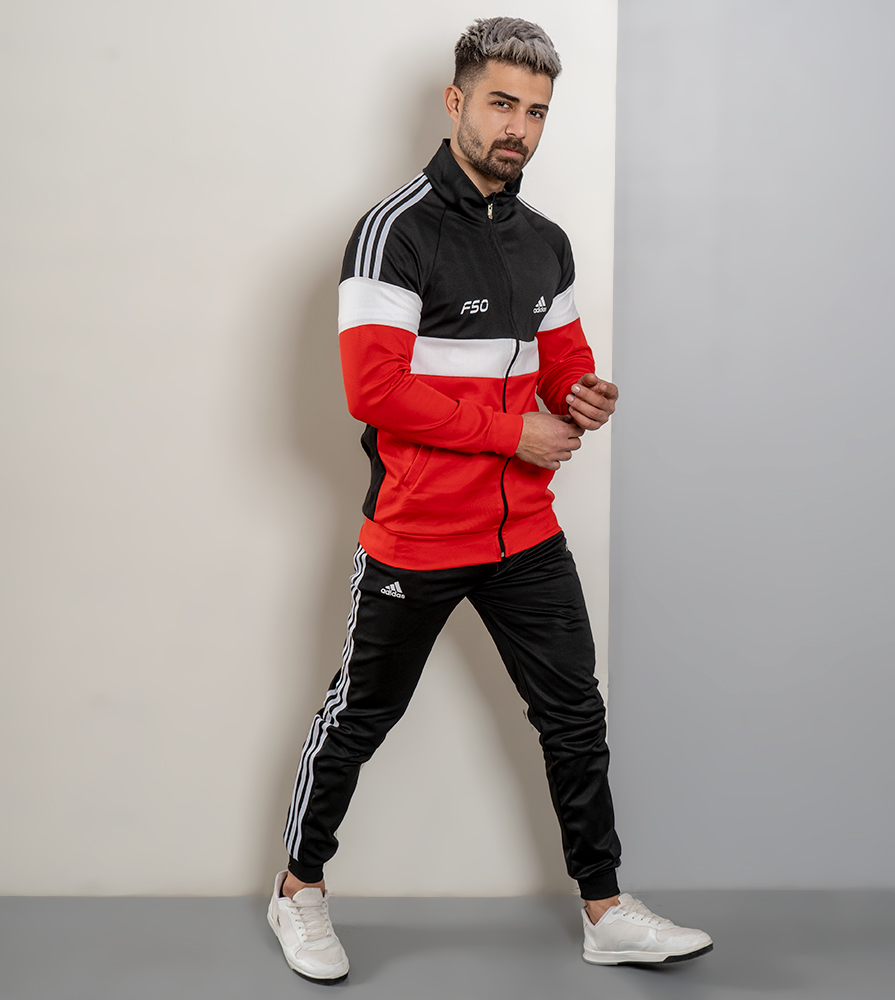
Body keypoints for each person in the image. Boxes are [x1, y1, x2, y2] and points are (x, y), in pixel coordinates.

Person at [267, 16, 713, 983]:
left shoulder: (544, 242)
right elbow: (373, 390)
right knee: (360, 716)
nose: (519, 127)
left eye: (537, 112)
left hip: (525, 534)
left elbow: (565, 361)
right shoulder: (392, 232)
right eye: (502, 104)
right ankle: (298, 890)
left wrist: (581, 394)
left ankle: (605, 910)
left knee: (575, 716)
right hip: (418, 533)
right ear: (456, 101)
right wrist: (514, 432)